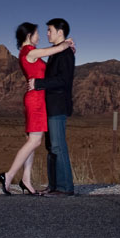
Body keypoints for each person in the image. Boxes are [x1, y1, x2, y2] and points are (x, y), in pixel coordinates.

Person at [0, 22, 75, 196]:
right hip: (36, 100)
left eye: (47, 31)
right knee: (35, 142)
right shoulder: (30, 52)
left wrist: (66, 45)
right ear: (29, 36)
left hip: (40, 100)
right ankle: (8, 175)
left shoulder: (30, 52)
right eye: (37, 34)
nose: (40, 37)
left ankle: (26, 179)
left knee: (32, 141)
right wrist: (67, 43)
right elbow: (52, 50)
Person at [28, 18, 75, 196]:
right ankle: (54, 186)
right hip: (50, 107)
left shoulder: (66, 54)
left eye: (49, 30)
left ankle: (65, 188)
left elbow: (63, 80)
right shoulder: (57, 52)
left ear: (60, 32)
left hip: (58, 106)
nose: (47, 33)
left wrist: (38, 83)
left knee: (58, 146)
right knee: (51, 147)